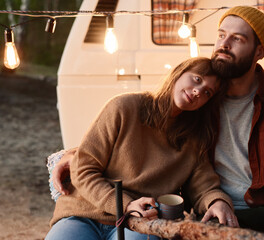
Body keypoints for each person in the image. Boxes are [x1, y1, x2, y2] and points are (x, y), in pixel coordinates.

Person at [52, 6, 264, 239]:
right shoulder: (199, 106)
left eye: (238, 39)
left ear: (259, 51)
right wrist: (74, 154)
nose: (224, 44)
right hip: (212, 210)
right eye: (222, 35)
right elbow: (145, 128)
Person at [45, 57, 238, 240]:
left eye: (207, 93)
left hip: (138, 224)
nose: (198, 91)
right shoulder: (124, 107)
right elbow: (82, 169)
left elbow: (203, 187)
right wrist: (126, 204)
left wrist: (217, 202)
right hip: (82, 213)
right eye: (197, 79)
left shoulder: (193, 139)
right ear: (179, 72)